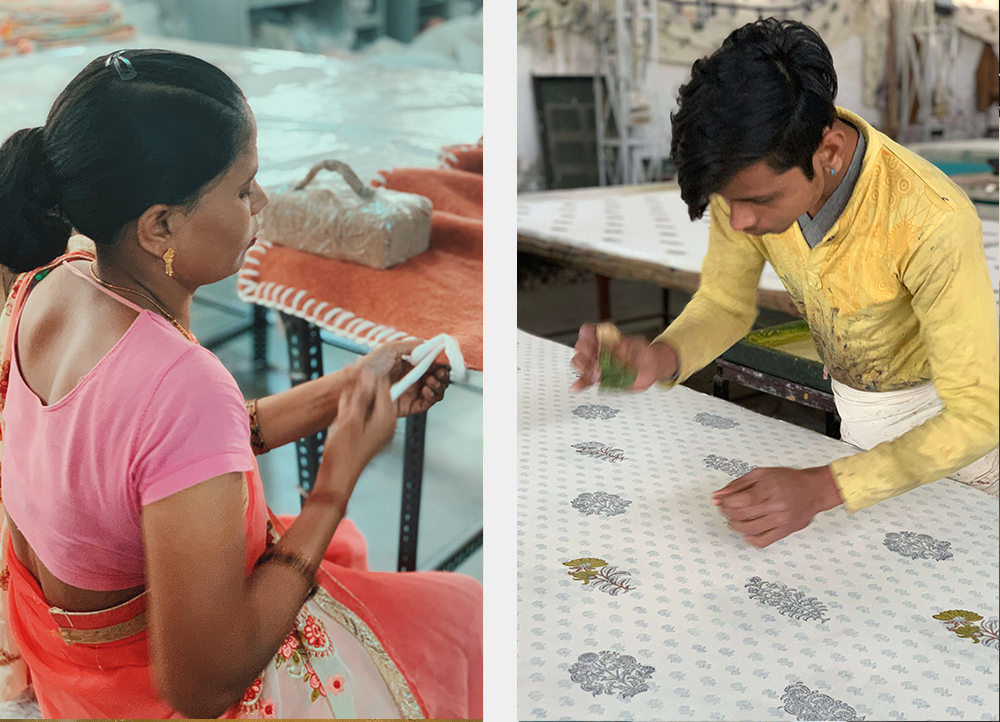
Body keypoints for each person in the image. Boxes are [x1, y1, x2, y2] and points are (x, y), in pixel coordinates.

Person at [0, 49, 481, 719]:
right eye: (242, 187)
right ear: (161, 224)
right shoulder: (180, 383)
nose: (261, 202)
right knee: (468, 621)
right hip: (141, 691)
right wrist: (337, 477)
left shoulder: (54, 279)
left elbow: (174, 454)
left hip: (62, 652)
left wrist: (349, 386)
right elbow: (202, 686)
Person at [572, 19, 999, 549]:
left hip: (959, 456)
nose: (741, 221)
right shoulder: (750, 180)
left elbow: (978, 416)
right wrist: (658, 357)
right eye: (729, 202)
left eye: (760, 200)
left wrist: (823, 487)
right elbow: (726, 302)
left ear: (830, 153)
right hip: (862, 435)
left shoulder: (930, 219)